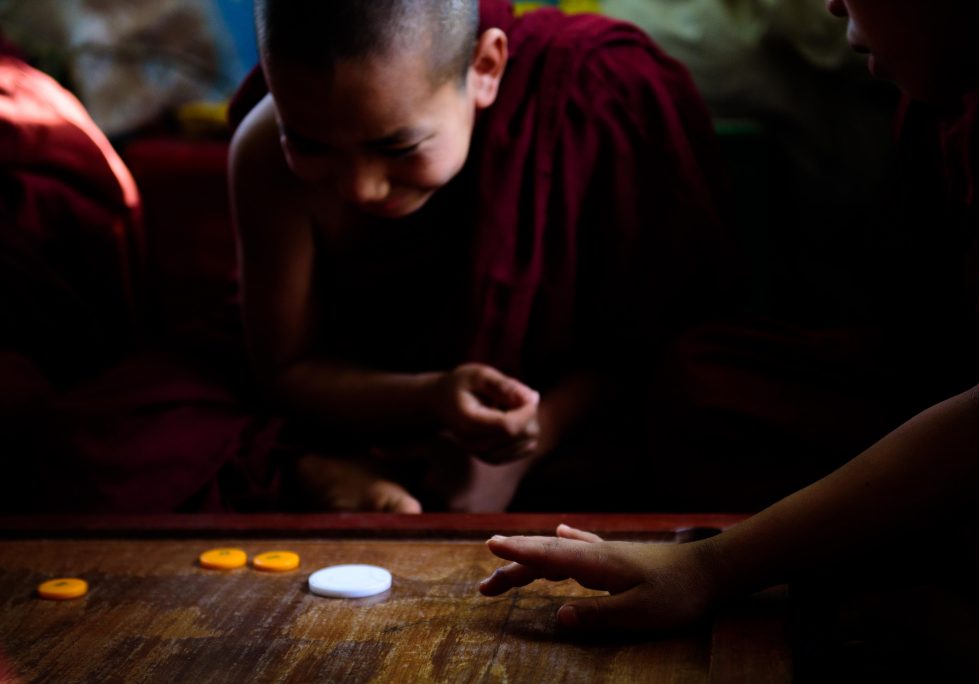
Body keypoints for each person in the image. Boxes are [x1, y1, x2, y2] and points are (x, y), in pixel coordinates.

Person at [480, 0, 979, 660]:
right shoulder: (954, 104)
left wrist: (711, 568)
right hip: (958, 391)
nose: (829, 4)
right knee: (705, 388)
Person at [228, 0, 737, 513]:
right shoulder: (265, 152)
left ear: (486, 68)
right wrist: (430, 398)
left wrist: (536, 436)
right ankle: (328, 468)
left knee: (711, 414)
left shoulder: (598, 91)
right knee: (177, 429)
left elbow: (660, 336)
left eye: (400, 148)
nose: (361, 188)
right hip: (352, 416)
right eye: (310, 146)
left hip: (570, 419)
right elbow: (284, 370)